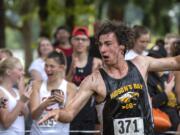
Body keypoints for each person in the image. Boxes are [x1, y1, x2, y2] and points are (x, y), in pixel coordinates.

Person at [38, 21, 180, 135]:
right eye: (100, 44)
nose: (102, 49)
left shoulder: (141, 64)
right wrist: (58, 113)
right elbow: (69, 113)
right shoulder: (94, 80)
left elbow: (175, 62)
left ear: (122, 46)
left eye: (108, 44)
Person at [29, 50, 77, 135]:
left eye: (52, 66)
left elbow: (69, 117)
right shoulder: (36, 85)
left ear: (61, 67)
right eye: (46, 65)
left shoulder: (70, 87)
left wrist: (61, 105)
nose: (48, 69)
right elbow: (33, 116)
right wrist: (45, 104)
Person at [66, 26, 102, 135]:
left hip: (89, 111)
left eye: (83, 39)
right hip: (69, 109)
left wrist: (94, 73)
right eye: (77, 39)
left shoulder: (96, 62)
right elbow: (60, 86)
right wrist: (71, 70)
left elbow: (100, 89)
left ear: (88, 42)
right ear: (72, 41)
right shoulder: (65, 61)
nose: (80, 42)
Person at [147, 47, 180, 134]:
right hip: (160, 126)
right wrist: (165, 93)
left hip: (174, 126)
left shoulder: (166, 78)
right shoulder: (147, 79)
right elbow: (148, 104)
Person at [0, 57, 32, 135]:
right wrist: (21, 102)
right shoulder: (1, 93)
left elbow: (26, 114)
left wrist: (21, 90)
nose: (23, 73)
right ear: (8, 72)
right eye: (20, 70)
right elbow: (6, 122)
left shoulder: (16, 92)